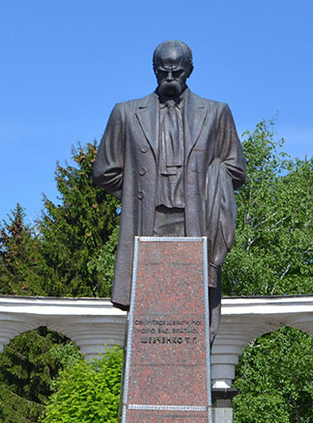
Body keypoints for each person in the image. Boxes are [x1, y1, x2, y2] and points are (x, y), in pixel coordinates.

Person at [93, 39, 246, 336]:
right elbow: (104, 171)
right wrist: (138, 189)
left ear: (190, 70)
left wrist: (212, 177)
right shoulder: (126, 113)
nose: (170, 79)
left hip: (196, 221)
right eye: (163, 72)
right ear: (154, 70)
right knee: (146, 315)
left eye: (177, 72)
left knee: (196, 310)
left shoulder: (216, 113)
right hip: (148, 222)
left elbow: (236, 169)